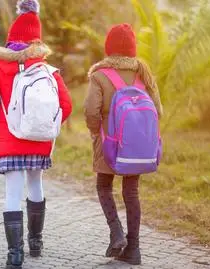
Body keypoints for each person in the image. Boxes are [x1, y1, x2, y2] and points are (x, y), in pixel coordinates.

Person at [0, 1, 72, 268]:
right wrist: (47, 126)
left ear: (11, 38)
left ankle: (15, 255)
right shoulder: (46, 69)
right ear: (37, 40)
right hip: (39, 141)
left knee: (12, 192)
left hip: (10, 140)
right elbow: (66, 105)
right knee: (35, 185)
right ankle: (36, 242)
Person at [84, 23, 163, 265]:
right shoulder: (144, 74)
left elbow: (90, 111)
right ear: (132, 49)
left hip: (109, 143)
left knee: (103, 186)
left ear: (109, 49)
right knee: (131, 192)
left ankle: (116, 232)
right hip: (137, 147)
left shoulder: (99, 76)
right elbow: (158, 111)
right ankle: (134, 249)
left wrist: (96, 132)